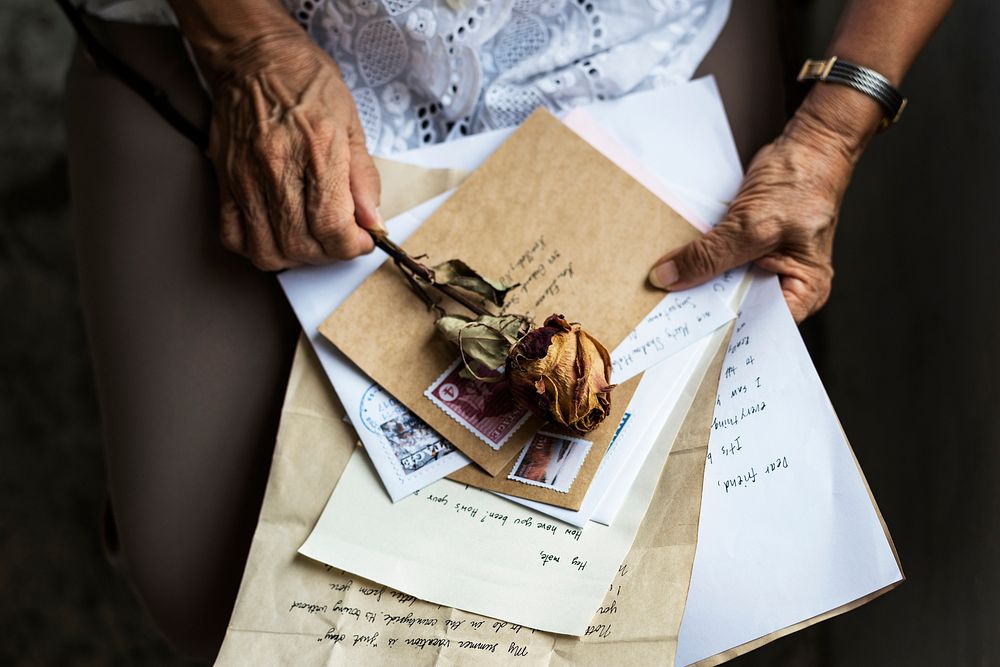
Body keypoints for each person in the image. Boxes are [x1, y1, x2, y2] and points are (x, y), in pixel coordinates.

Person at [63, 0, 951, 659]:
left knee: (693, 591)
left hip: (640, 41)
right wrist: (249, 48)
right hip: (257, 39)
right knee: (207, 573)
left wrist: (836, 122)